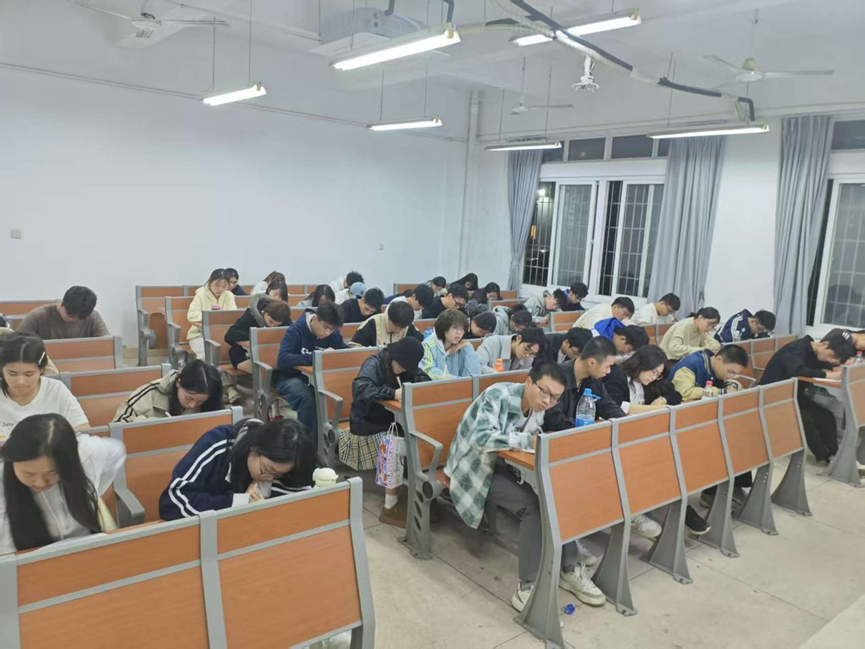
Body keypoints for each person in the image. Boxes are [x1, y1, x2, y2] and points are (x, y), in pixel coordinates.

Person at [445, 362, 605, 611]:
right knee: (534, 507)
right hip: (475, 468)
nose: (548, 401)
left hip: (506, 465)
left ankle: (570, 569)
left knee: (559, 492)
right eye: (545, 392)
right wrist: (528, 441)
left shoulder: (537, 407)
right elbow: (481, 438)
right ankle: (527, 588)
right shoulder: (497, 395)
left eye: (555, 397)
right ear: (529, 382)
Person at [542, 337, 673, 539]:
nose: (609, 371)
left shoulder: (593, 378)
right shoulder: (557, 377)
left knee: (627, 460)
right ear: (592, 362)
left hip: (581, 439)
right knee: (602, 469)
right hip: (555, 443)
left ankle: (626, 511)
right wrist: (591, 432)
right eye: (608, 366)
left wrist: (626, 425)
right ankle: (574, 534)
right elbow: (553, 419)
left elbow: (606, 405)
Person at [0, 414, 126, 554]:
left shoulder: (85, 454)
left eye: (52, 472)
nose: (41, 483)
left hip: (85, 549)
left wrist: (95, 489)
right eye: (29, 474)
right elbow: (6, 552)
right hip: (30, 558)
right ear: (12, 461)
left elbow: (117, 452)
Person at [159, 418, 316, 520]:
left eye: (278, 475)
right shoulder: (216, 443)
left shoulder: (288, 461)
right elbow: (171, 502)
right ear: (254, 448)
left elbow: (301, 499)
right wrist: (239, 502)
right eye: (267, 470)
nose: (270, 478)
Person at [344, 337, 430, 526]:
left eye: (407, 367)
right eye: (401, 365)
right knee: (393, 444)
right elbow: (361, 389)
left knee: (420, 438)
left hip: (392, 422)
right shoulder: (373, 363)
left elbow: (424, 381)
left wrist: (415, 388)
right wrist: (392, 393)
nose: (403, 370)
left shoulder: (406, 367)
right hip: (367, 423)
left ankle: (420, 495)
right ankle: (390, 506)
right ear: (393, 356)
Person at [758, 329, 856, 463]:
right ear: (824, 344)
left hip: (792, 395)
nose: (829, 360)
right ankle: (826, 456)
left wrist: (838, 367)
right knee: (806, 419)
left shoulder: (815, 353)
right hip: (771, 397)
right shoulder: (795, 349)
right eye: (831, 356)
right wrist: (827, 374)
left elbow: (824, 365)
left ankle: (836, 454)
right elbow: (796, 370)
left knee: (826, 416)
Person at [275, 302, 347, 441]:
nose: (327, 333)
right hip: (291, 378)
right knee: (310, 399)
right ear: (315, 318)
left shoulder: (333, 333)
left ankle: (332, 441)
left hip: (319, 379)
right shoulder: (296, 330)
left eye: (332, 330)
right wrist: (316, 357)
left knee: (339, 393)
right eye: (325, 327)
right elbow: (283, 360)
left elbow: (341, 353)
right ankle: (309, 445)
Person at [0, 333, 90, 441]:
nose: (20, 382)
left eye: (29, 374)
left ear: (41, 370)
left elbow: (82, 431)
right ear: (2, 369)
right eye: (12, 373)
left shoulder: (56, 390)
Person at [113, 359, 223, 423]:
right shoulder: (150, 393)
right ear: (178, 383)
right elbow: (119, 423)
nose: (192, 405)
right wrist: (154, 424)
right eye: (189, 398)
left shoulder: (211, 400)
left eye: (200, 402)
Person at [604, 345, 681, 414]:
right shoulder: (617, 375)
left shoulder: (653, 382)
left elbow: (675, 395)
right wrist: (654, 409)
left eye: (658, 375)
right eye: (653, 372)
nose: (654, 377)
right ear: (643, 363)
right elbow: (615, 404)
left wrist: (662, 400)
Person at [225, 296, 292, 374]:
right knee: (266, 370)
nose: (272, 326)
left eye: (277, 325)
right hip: (243, 353)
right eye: (271, 321)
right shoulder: (251, 315)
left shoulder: (284, 318)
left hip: (271, 354)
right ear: (264, 312)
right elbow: (230, 335)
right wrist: (250, 341)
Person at [18, 286, 110, 340]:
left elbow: (106, 342)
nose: (73, 319)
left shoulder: (92, 317)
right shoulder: (37, 317)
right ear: (63, 303)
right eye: (70, 315)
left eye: (78, 318)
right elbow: (18, 344)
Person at [669, 345, 750, 401]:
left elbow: (733, 384)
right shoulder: (691, 365)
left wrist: (731, 386)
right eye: (730, 372)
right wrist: (721, 391)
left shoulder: (716, 367)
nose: (730, 376)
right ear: (718, 359)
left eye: (735, 374)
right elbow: (685, 393)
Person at [187, 269, 237, 359]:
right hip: (200, 335)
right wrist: (213, 317)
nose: (220, 289)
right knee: (205, 355)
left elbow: (232, 314)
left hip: (223, 334)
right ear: (210, 282)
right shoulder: (200, 295)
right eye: (217, 285)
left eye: (224, 286)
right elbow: (192, 315)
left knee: (235, 353)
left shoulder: (229, 295)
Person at [421, 309, 481, 380]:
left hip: (459, 386)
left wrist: (468, 347)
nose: (459, 332)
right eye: (455, 328)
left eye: (462, 329)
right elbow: (429, 371)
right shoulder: (427, 345)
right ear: (444, 328)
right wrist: (459, 381)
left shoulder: (462, 348)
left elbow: (474, 376)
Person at [350, 301, 423, 348]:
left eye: (402, 328)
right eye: (396, 326)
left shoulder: (407, 325)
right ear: (389, 318)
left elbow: (422, 342)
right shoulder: (372, 324)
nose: (398, 330)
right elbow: (353, 346)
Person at [477, 327, 545, 374]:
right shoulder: (492, 342)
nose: (527, 355)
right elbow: (478, 366)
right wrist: (499, 375)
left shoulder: (529, 357)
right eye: (526, 349)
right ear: (519, 338)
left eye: (533, 354)